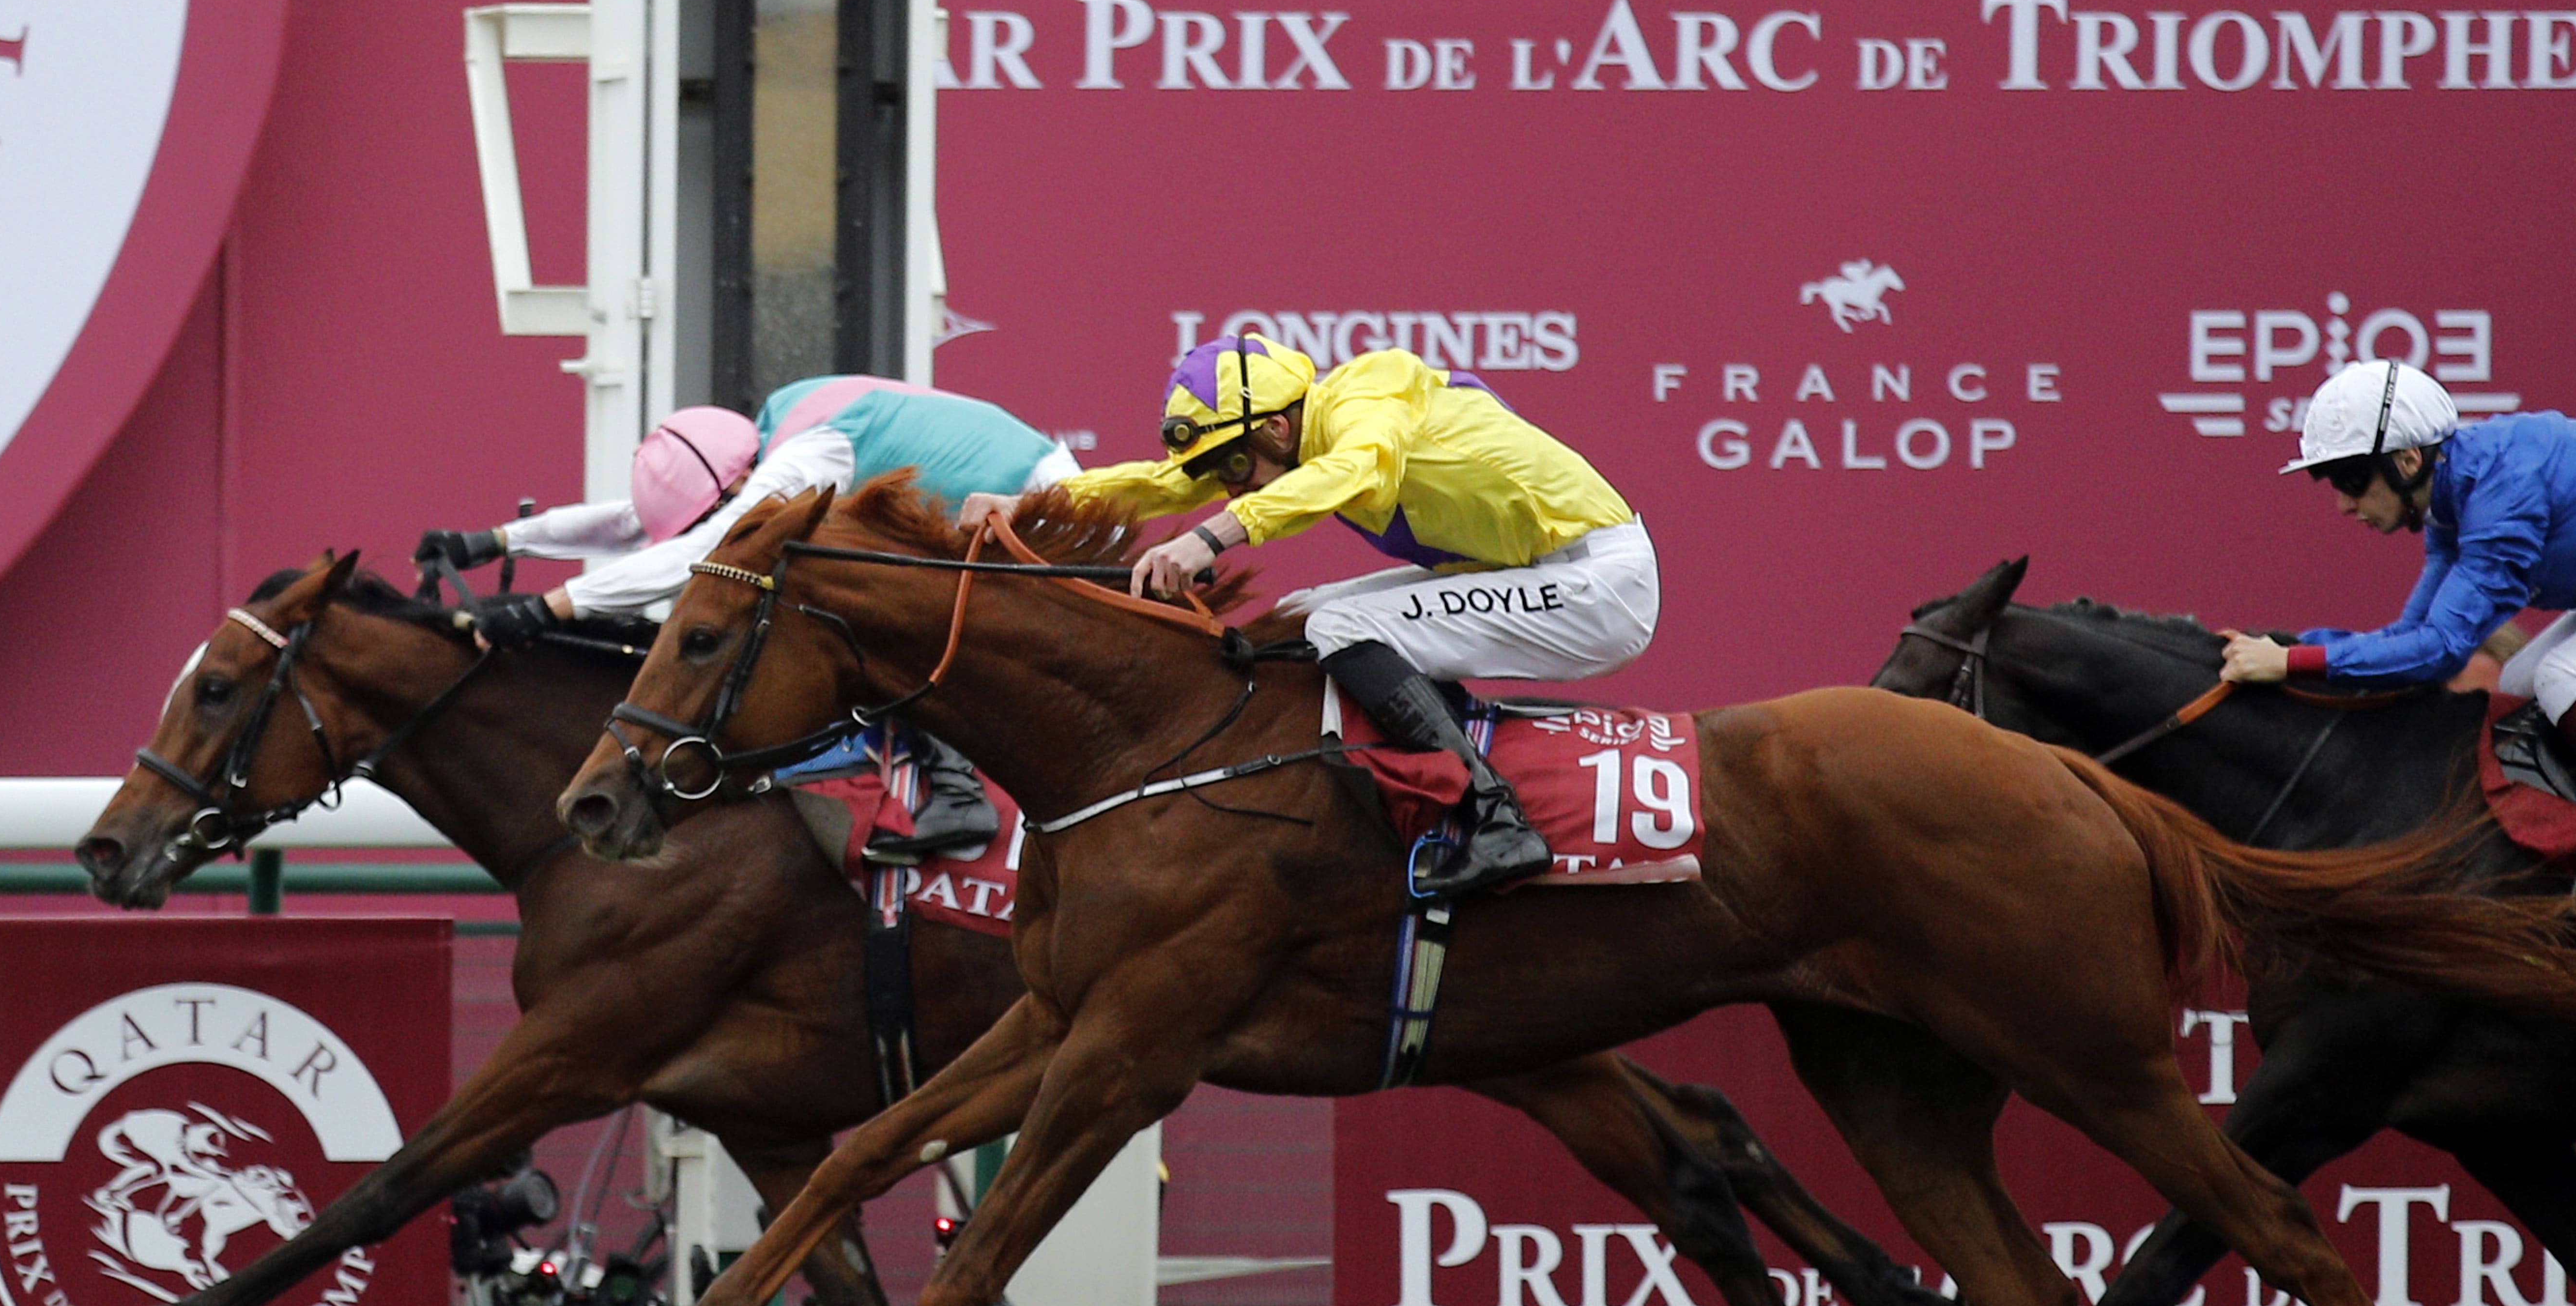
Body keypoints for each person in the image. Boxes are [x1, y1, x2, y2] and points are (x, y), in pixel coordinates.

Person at [958, 334, 1658, 897]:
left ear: (1279, 424)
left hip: (1597, 581)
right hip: (1528, 570)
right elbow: (1159, 482)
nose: (1230, 483)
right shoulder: (1282, 435)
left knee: (1342, 629)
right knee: (1299, 616)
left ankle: (1496, 818)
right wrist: (1030, 505)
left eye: (1236, 462)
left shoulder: (1373, 388)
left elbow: (1356, 469)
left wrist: (1211, 537)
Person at [420, 375, 1079, 858]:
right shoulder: (765, 433)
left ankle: (958, 796)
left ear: (734, 487)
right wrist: (494, 541)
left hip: (1043, 519)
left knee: (855, 618)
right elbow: (636, 520)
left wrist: (546, 608)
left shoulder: (807, 455)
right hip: (1003, 505)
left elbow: (705, 549)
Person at [2219, 360, 2576, 795]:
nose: (2344, 506)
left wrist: (2291, 663)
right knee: (2520, 683)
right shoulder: (2452, 499)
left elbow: (2440, 651)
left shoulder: (2502, 495)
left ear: (2408, 461)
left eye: (2353, 479)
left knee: (2565, 676)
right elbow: (2409, 636)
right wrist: (2289, 649)